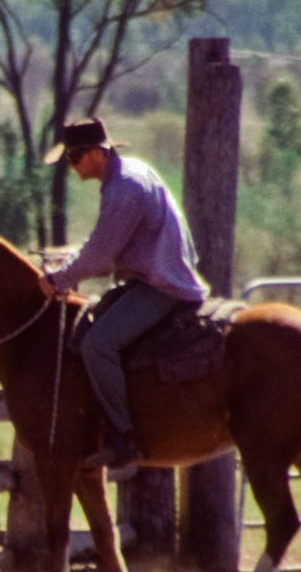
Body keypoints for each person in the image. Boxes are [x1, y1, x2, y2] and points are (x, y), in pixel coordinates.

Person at [41, 116, 207, 483]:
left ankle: (123, 437)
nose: (71, 166)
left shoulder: (122, 190)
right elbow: (105, 246)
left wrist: (59, 278)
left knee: (98, 345)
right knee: (91, 328)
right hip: (156, 275)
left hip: (161, 286)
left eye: (74, 158)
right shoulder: (130, 173)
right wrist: (70, 265)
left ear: (97, 154)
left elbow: (100, 256)